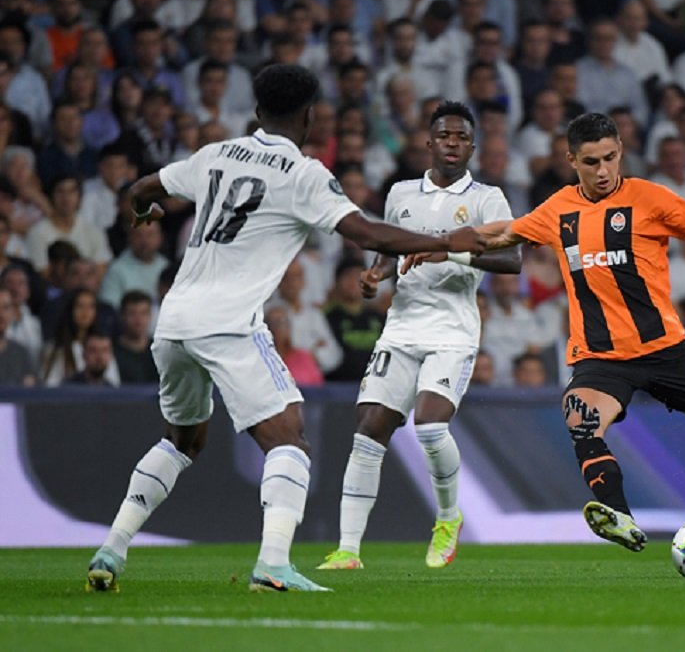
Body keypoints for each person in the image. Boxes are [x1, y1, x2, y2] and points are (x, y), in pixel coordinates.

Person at [84, 64, 484, 595]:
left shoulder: (216, 153)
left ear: (257, 112)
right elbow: (367, 233)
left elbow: (141, 188)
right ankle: (272, 564)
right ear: (309, 116)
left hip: (174, 320)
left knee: (181, 440)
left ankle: (111, 549)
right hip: (229, 323)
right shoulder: (303, 174)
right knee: (290, 439)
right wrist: (450, 242)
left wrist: (144, 209)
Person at [426, 112, 685, 551]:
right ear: (571, 161)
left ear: (620, 151)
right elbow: (505, 233)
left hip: (662, 349)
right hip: (599, 358)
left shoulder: (649, 199)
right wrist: (438, 244)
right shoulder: (559, 209)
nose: (602, 171)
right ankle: (619, 515)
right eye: (591, 162)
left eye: (609, 158)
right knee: (580, 419)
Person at [317, 101, 520, 573]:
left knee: (429, 426)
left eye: (461, 137)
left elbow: (512, 260)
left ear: (472, 147)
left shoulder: (487, 199)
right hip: (402, 327)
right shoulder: (401, 193)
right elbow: (390, 251)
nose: (452, 143)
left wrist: (450, 253)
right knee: (368, 430)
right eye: (444, 135)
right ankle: (348, 550)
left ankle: (448, 518)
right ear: (429, 142)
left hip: (453, 330)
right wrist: (376, 275)